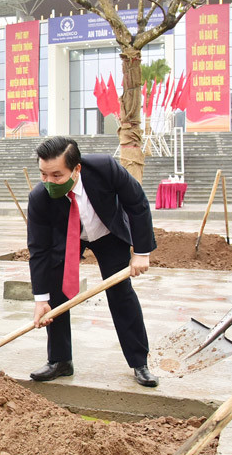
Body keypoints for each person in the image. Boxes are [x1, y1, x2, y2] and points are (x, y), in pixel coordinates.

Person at [26, 136, 159, 387]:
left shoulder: (105, 168)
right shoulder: (40, 198)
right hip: (69, 237)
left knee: (120, 293)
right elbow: (39, 249)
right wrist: (40, 299)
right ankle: (60, 361)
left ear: (77, 169)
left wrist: (141, 252)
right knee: (56, 292)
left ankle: (139, 362)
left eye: (57, 175)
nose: (49, 182)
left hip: (108, 233)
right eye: (43, 174)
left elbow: (137, 203)